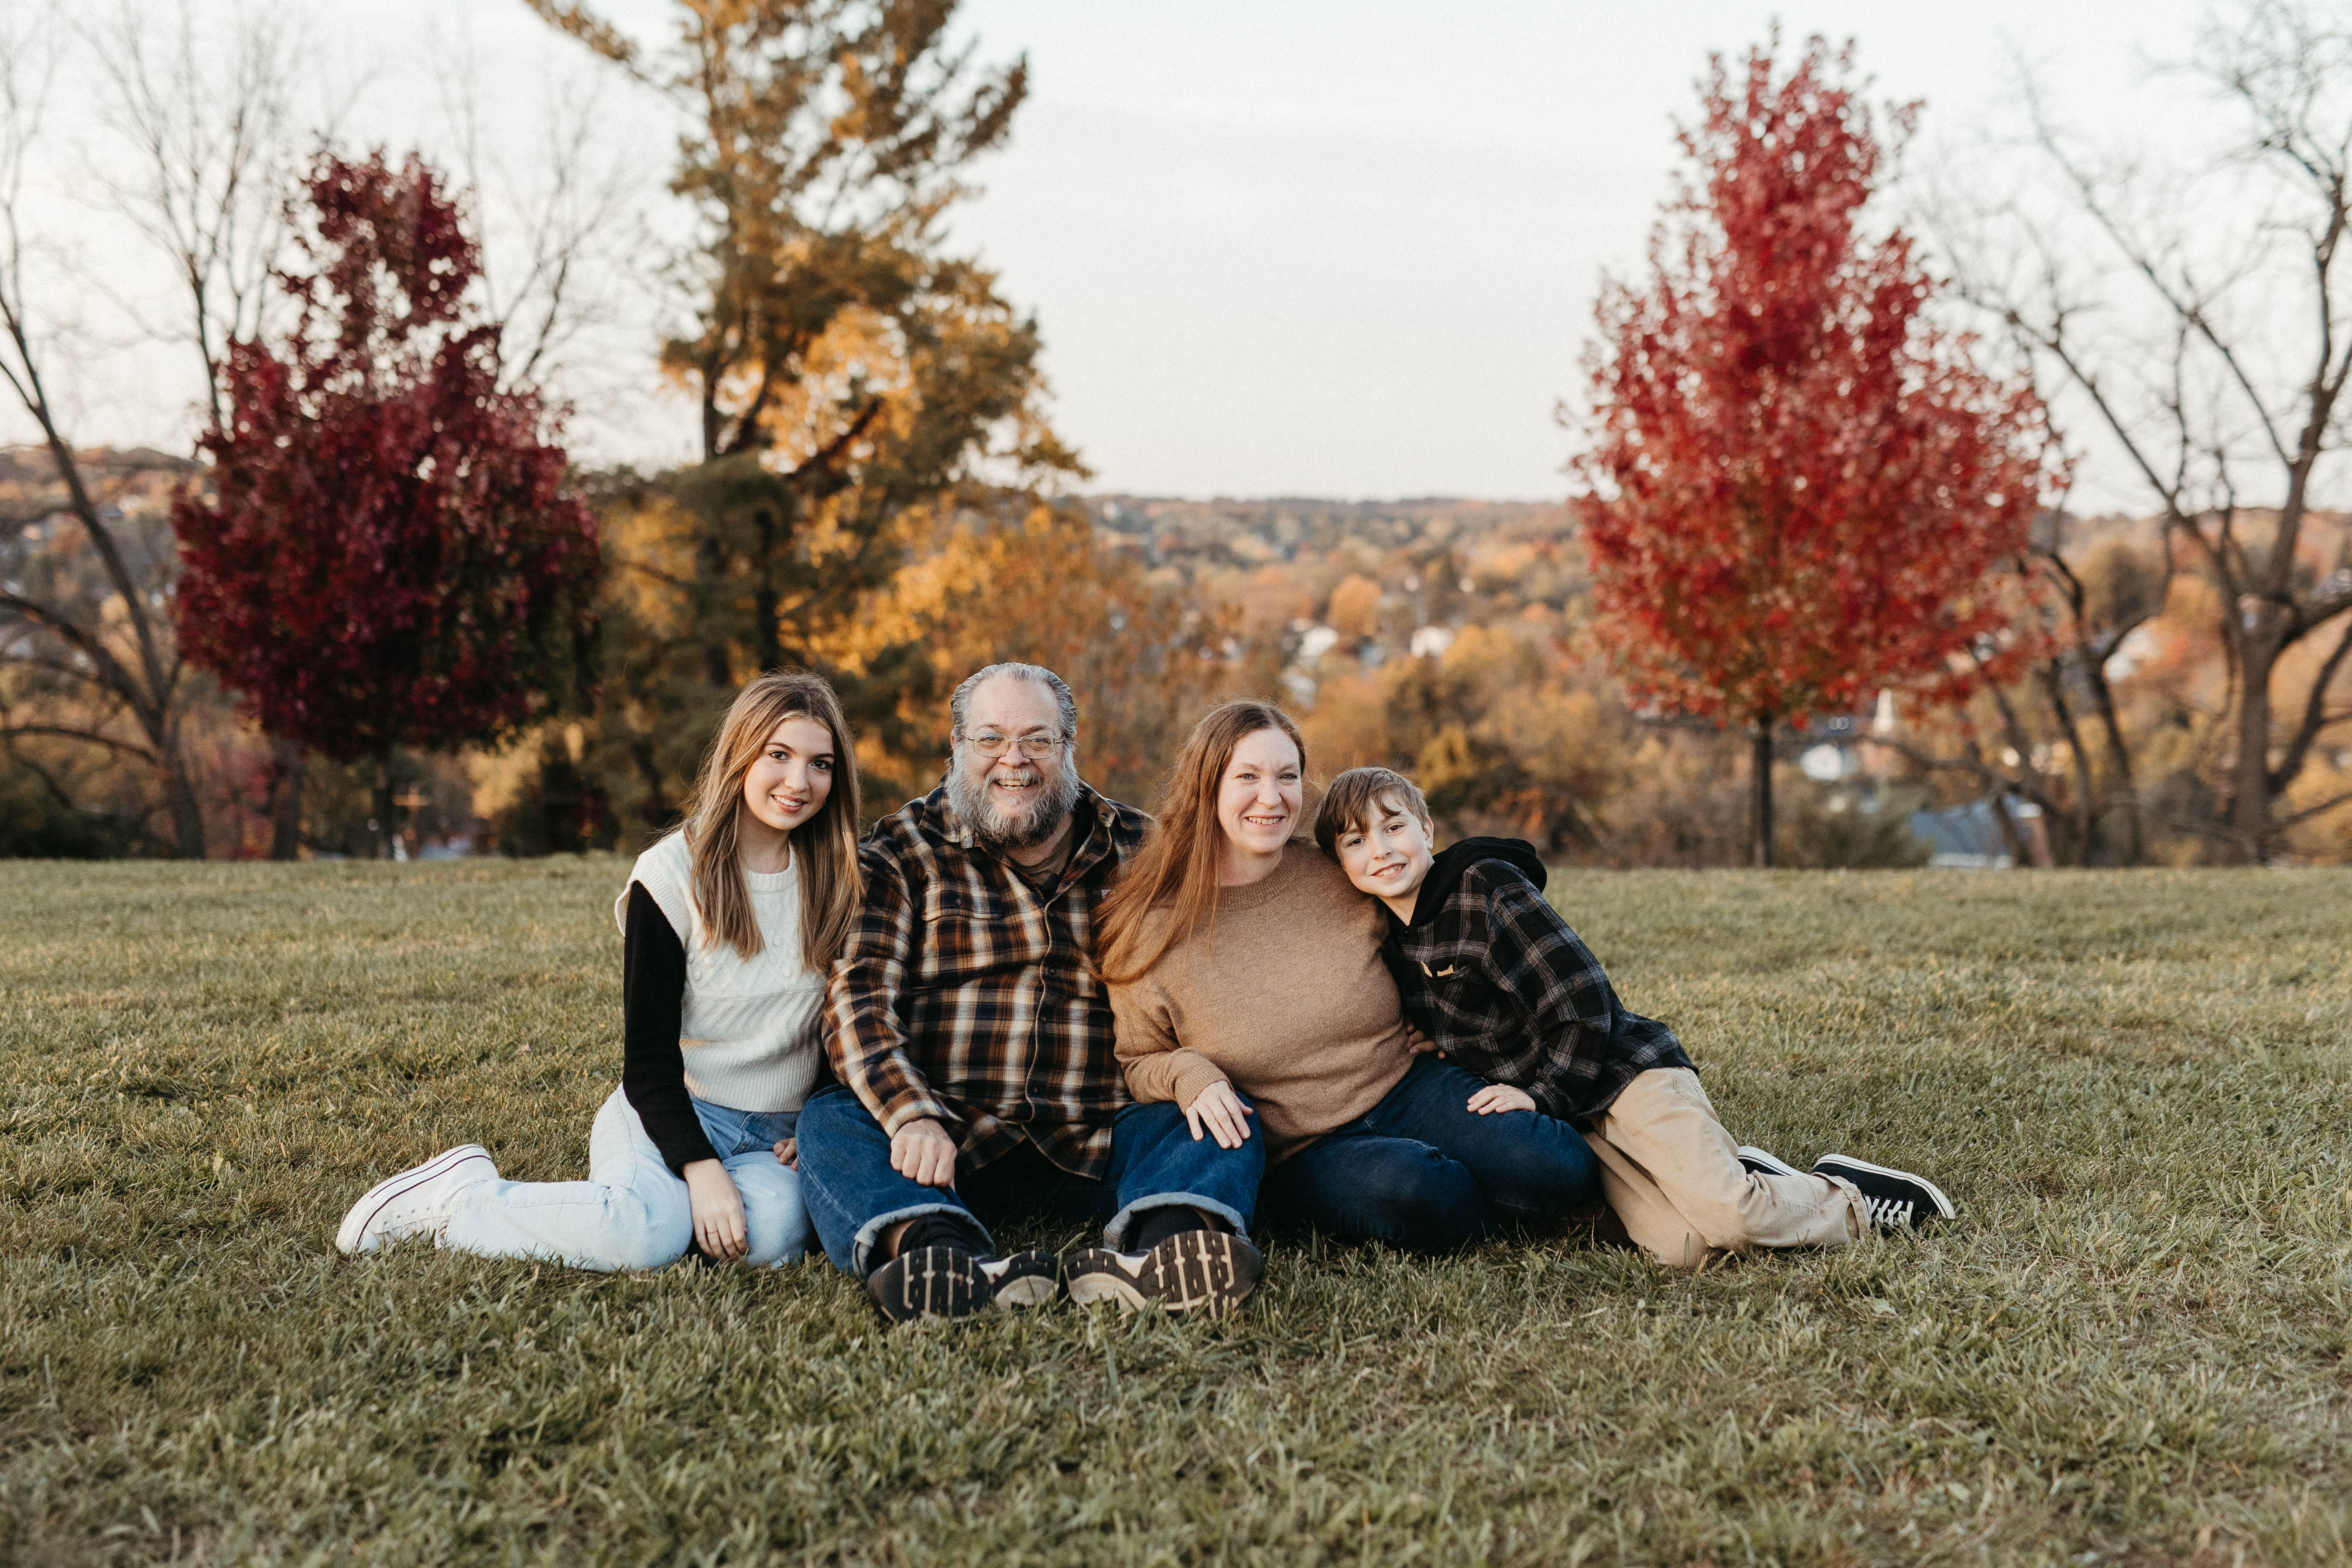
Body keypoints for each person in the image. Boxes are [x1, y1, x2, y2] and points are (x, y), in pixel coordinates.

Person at [1315, 765, 1957, 1271]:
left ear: (1427, 829)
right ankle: (1751, 1175)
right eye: (1356, 841)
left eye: (1393, 827)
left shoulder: (1486, 887)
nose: (1381, 850)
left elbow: (1583, 1000)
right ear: (1339, 864)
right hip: (1582, 1121)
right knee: (1685, 1249)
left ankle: (1849, 1195)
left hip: (1622, 1075)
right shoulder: (1394, 944)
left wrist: (1540, 1096)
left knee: (1732, 1218)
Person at [335, 672, 861, 1270]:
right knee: (639, 1234)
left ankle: (669, 1217)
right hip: (672, 1109)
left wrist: (819, 1122)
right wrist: (700, 1166)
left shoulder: (842, 882)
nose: (799, 782)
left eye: (820, 764)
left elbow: (848, 1026)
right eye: (778, 755)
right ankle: (462, 1198)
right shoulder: (670, 875)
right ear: (740, 754)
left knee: (771, 1236)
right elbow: (648, 1060)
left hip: (776, 1139)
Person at [798, 663, 1266, 1323]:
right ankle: (943, 1255)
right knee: (832, 1119)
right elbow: (858, 998)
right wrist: (911, 1113)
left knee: (1221, 1109)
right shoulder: (901, 850)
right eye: (990, 739)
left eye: (1037, 740)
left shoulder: (1144, 848)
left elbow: (1242, 923)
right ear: (956, 747)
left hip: (1103, 1132)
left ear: (1068, 746)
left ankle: (1167, 1252)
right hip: (950, 1139)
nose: (1013, 760)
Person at [1096, 700, 1602, 1255]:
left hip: (1408, 1085)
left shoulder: (1337, 872)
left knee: (1554, 1166)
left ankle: (1511, 1188)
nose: (1272, 797)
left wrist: (1439, 1015)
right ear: (1205, 786)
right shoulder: (1152, 926)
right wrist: (1189, 1075)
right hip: (1303, 1147)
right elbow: (1139, 1060)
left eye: (1287, 776)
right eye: (1248, 777)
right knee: (1419, 1192)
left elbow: (1425, 928)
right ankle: (1480, 1204)